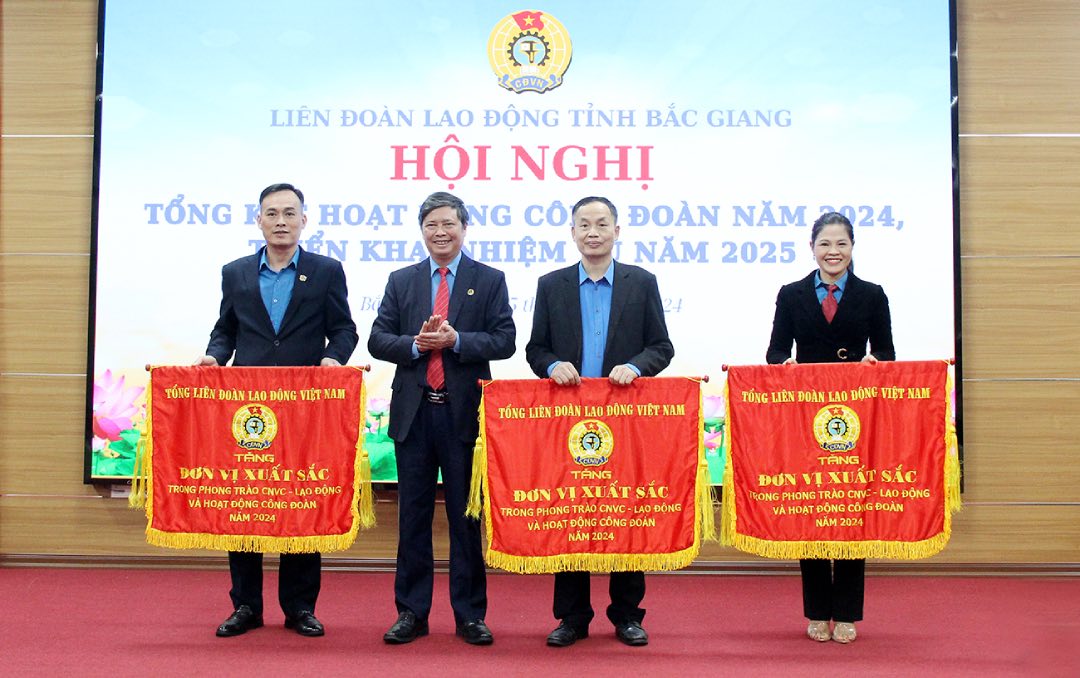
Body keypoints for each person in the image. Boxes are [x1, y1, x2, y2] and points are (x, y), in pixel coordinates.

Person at [198, 183, 359, 638]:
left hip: (305, 407)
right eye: (272, 213)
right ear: (259, 221)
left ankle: (300, 607)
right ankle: (246, 605)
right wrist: (214, 356)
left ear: (304, 219)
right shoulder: (236, 273)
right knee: (247, 500)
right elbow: (225, 329)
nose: (282, 220)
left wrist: (334, 358)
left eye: (290, 212)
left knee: (300, 500)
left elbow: (344, 328)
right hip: (247, 405)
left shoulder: (327, 271)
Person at [525, 196, 674, 648]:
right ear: (572, 233)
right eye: (584, 224)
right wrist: (551, 366)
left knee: (623, 510)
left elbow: (662, 347)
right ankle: (572, 617)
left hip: (624, 419)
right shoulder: (551, 285)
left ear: (616, 230)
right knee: (572, 513)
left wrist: (637, 365)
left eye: (601, 223)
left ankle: (627, 614)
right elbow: (536, 350)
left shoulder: (641, 282)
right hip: (568, 422)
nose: (593, 231)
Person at [368, 191, 516, 646]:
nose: (440, 232)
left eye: (449, 224)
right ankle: (411, 612)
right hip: (414, 416)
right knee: (412, 518)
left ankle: (470, 614)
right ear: (422, 231)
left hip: (463, 419)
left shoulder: (489, 280)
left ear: (464, 228)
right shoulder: (402, 280)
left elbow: (505, 340)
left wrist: (456, 341)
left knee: (465, 519)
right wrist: (415, 345)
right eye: (432, 224)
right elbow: (378, 339)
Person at [765, 211, 895, 644]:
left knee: (848, 511)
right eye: (825, 244)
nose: (833, 252)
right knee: (814, 511)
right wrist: (785, 365)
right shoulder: (792, 294)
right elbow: (775, 352)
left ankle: (848, 614)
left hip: (853, 419)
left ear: (852, 248)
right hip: (806, 417)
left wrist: (873, 365)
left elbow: (888, 355)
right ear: (812, 248)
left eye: (841, 244)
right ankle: (818, 611)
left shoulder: (873, 295)